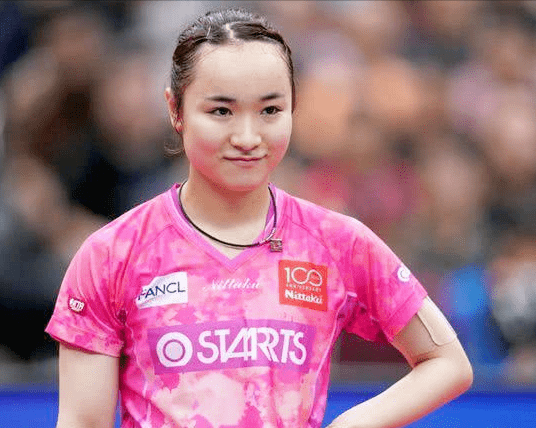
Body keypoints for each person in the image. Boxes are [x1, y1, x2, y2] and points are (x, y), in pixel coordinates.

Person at [45, 8, 473, 428]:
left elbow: (447, 362)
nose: (248, 137)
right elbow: (83, 421)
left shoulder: (336, 242)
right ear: (175, 109)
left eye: (270, 111)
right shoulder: (112, 254)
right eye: (221, 111)